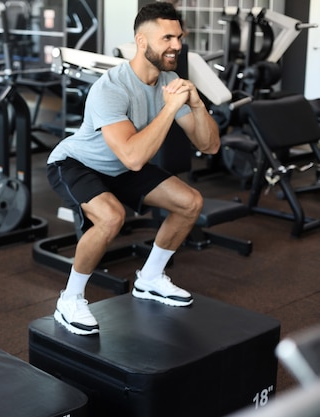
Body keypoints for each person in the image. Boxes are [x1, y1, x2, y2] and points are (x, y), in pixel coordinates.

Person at [46, 2, 220, 336]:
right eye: (167, 37)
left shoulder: (169, 80)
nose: (177, 45)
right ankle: (69, 299)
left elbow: (210, 145)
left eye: (179, 37)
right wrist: (171, 109)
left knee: (190, 202)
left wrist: (197, 105)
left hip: (121, 164)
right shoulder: (111, 88)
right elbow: (134, 159)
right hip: (77, 163)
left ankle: (151, 278)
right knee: (111, 217)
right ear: (142, 41)